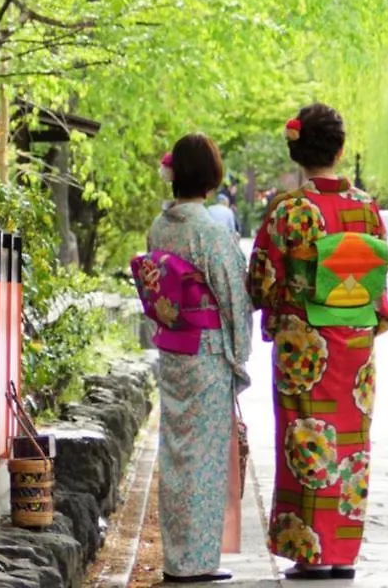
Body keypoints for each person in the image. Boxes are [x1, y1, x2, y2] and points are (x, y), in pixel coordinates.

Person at [247, 103, 388, 581]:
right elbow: (377, 283)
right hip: (353, 346)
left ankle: (310, 551)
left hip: (304, 345)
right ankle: (342, 553)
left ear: (296, 151)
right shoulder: (366, 207)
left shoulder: (288, 209)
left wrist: (276, 301)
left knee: (305, 438)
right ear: (341, 150)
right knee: (351, 445)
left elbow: (262, 278)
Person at [133, 133, 252, 584]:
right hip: (205, 354)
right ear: (211, 177)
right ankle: (195, 562)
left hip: (173, 348)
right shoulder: (210, 231)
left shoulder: (160, 227)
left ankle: (175, 558)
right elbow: (234, 299)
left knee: (176, 453)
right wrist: (239, 355)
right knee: (202, 458)